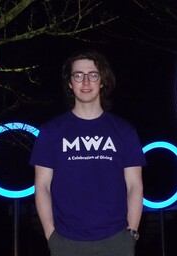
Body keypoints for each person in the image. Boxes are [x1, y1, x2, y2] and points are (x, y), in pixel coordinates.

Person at [30, 50, 146, 256]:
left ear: (102, 82)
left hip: (117, 240)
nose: (85, 82)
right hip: (65, 242)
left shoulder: (124, 131)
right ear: (69, 83)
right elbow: (42, 186)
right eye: (78, 75)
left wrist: (131, 234)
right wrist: (51, 236)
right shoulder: (51, 132)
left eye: (93, 75)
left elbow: (135, 185)